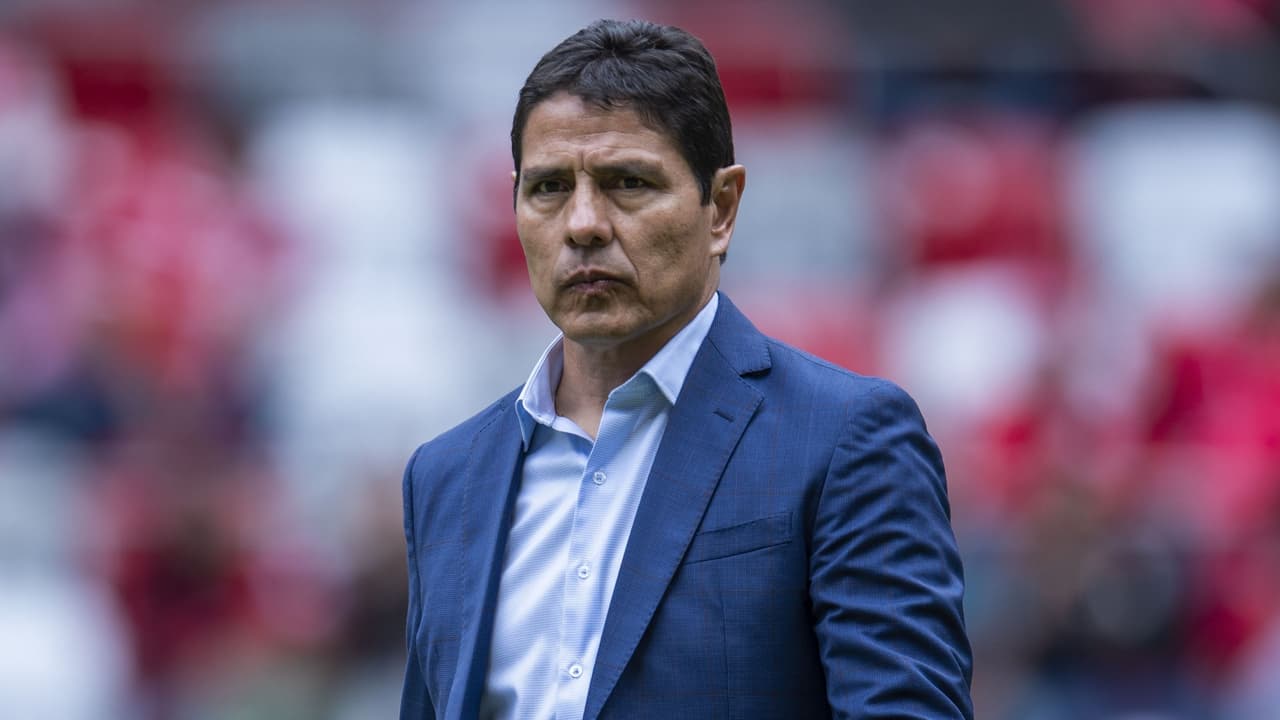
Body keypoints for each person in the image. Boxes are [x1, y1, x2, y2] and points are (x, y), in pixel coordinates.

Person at [400, 18, 972, 720]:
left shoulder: (845, 440)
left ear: (721, 208)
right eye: (549, 187)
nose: (582, 224)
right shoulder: (444, 478)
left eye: (628, 182)